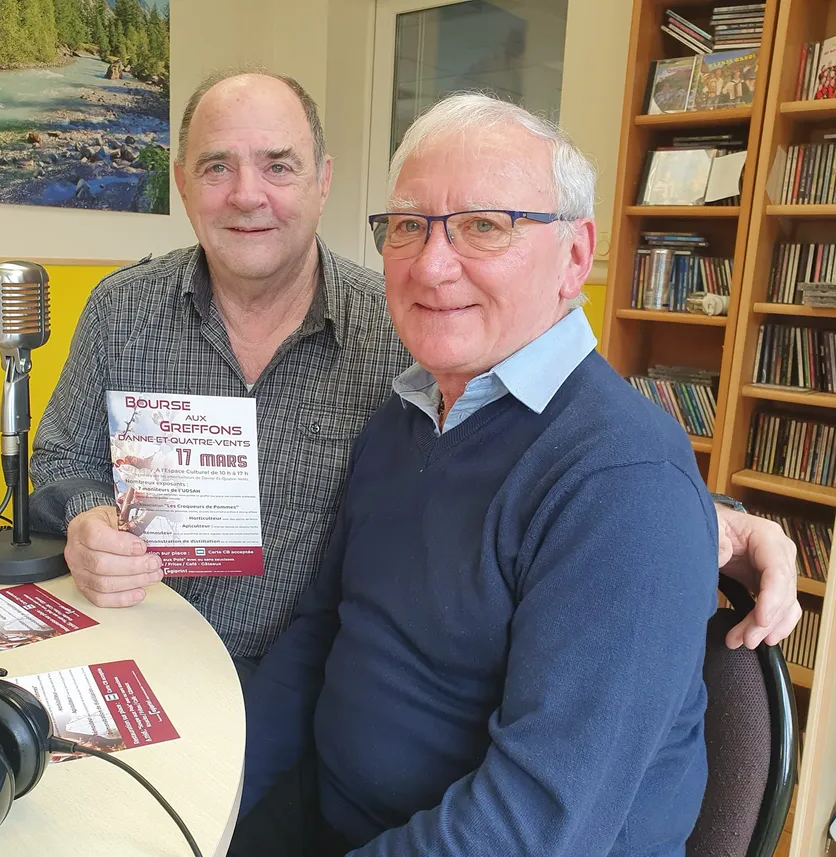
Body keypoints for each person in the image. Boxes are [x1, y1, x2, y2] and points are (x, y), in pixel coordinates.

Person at [29, 70, 801, 675]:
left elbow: (548, 434)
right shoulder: (120, 310)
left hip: (305, 679)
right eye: (216, 167)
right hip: (137, 647)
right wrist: (87, 515)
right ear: (182, 183)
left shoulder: (411, 324)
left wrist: (712, 516)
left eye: (278, 165)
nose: (247, 194)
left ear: (323, 181)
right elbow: (61, 455)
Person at [231, 92, 733, 857]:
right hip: (331, 812)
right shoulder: (403, 417)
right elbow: (319, 631)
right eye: (409, 225)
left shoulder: (625, 481)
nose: (432, 265)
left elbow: (532, 826)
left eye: (484, 226)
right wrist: (216, 792)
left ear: (574, 257)